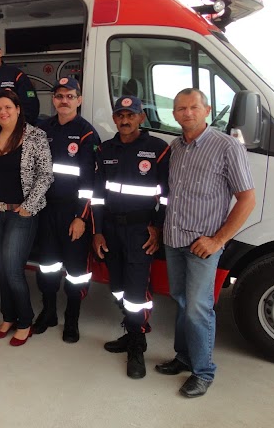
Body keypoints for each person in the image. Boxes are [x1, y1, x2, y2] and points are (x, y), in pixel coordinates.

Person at [155, 88, 255, 397]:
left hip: (203, 245)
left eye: (193, 107)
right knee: (182, 302)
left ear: (207, 110)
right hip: (174, 240)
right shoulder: (175, 148)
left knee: (198, 308)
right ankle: (184, 357)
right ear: (174, 115)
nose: (187, 113)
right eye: (181, 108)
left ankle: (203, 371)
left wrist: (217, 240)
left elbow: (247, 199)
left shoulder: (226, 147)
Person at [92, 95, 170, 379]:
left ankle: (137, 344)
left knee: (137, 292)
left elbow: (166, 196)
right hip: (111, 229)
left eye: (131, 115)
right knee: (117, 287)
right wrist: (98, 231)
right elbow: (98, 196)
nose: (125, 120)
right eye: (120, 115)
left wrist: (158, 226)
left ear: (141, 118)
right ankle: (131, 328)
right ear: (114, 118)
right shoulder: (105, 149)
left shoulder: (158, 149)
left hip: (140, 230)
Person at [0, 89, 53, 346]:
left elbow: (46, 175)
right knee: (1, 268)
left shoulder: (35, 135)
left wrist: (28, 207)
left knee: (13, 270)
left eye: (7, 108)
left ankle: (25, 321)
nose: (3, 112)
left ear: (18, 109)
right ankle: (8, 316)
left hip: (21, 213)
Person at [34, 78, 100, 343]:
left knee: (76, 271)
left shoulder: (86, 134)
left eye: (70, 96)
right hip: (46, 211)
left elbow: (89, 182)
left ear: (79, 100)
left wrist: (81, 217)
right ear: (54, 99)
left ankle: (72, 319)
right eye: (59, 96)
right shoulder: (42, 128)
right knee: (47, 266)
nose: (64, 100)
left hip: (72, 214)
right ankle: (49, 313)